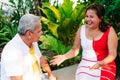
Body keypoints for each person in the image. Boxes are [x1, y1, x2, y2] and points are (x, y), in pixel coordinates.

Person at [50, 3, 118, 80]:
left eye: (91, 17)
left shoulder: (109, 30)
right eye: (86, 16)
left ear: (100, 18)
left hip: (105, 65)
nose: (88, 19)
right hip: (85, 65)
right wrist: (64, 57)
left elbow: (112, 54)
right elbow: (75, 50)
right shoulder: (81, 29)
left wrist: (101, 63)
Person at [1, 14, 57, 80]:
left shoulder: (32, 41)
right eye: (39, 31)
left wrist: (50, 75)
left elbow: (41, 60)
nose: (41, 33)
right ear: (29, 34)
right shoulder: (12, 52)